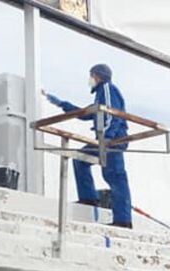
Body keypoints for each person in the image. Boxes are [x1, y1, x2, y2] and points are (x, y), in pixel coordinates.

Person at [44, 64, 132, 229]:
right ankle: (89, 199)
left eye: (91, 75)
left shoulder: (107, 89)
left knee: (115, 176)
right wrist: (64, 104)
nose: (90, 79)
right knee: (80, 159)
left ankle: (123, 220)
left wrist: (107, 138)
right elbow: (89, 114)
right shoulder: (100, 94)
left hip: (113, 140)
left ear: (98, 76)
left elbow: (112, 114)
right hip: (104, 140)